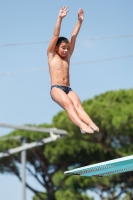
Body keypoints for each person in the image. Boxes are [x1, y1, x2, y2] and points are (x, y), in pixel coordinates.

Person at [47, 6, 99, 134]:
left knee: (78, 105)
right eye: (63, 48)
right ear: (56, 48)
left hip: (68, 88)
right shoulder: (51, 55)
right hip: (56, 88)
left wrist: (80, 21)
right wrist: (60, 18)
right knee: (69, 105)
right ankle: (81, 125)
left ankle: (90, 123)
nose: (65, 50)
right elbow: (55, 35)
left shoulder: (68, 57)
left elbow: (73, 37)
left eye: (67, 48)